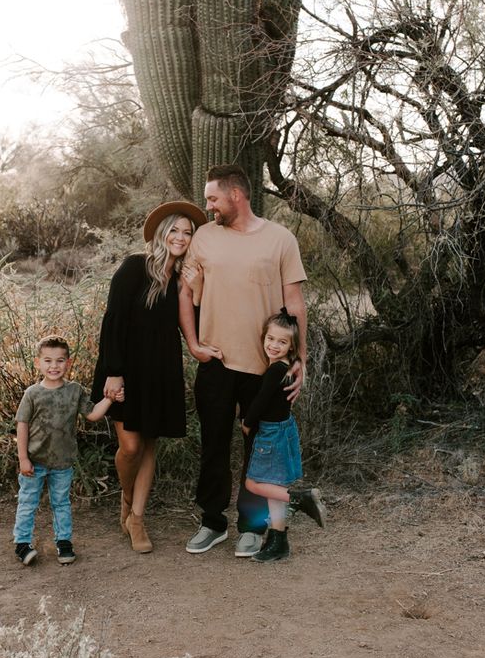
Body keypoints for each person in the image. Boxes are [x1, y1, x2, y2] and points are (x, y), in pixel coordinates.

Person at [178, 163, 308, 557]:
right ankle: (212, 523)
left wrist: (300, 360)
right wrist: (194, 345)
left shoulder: (280, 239)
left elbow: (295, 303)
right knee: (215, 445)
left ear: (236, 195)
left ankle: (251, 528)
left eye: (213, 198)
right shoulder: (204, 237)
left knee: (258, 452)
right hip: (216, 363)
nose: (208, 205)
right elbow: (185, 295)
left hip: (266, 369)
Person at [92, 200, 209, 553]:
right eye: (174, 229)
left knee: (150, 445)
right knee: (130, 446)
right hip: (126, 368)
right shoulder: (134, 267)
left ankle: (137, 518)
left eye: (187, 232)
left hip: (162, 370)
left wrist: (198, 287)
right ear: (161, 233)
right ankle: (127, 500)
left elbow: (197, 325)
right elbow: (113, 321)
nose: (180, 237)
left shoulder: (182, 280)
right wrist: (114, 373)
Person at [13, 335, 118, 566]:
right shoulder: (32, 393)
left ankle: (64, 542)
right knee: (28, 502)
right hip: (34, 460)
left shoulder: (75, 391)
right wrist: (23, 458)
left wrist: (109, 399)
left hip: (63, 462)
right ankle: (21, 544)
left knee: (61, 502)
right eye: (48, 361)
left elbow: (92, 414)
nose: (54, 366)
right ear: (37, 363)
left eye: (60, 361)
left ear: (68, 363)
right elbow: (22, 426)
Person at [242, 308, 326, 563]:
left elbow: (261, 401)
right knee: (274, 488)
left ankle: (300, 499)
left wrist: (247, 422)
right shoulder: (287, 367)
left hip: (270, 434)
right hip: (285, 430)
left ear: (291, 347)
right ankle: (279, 542)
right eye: (271, 339)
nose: (274, 345)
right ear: (263, 338)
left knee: (253, 483)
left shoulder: (275, 370)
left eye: (282, 342)